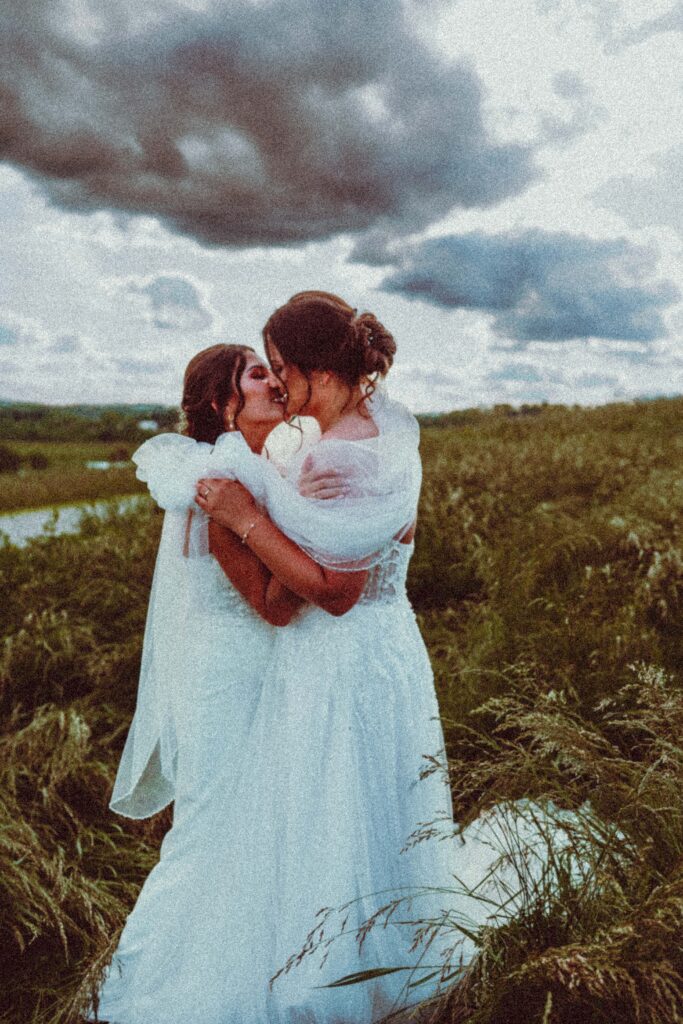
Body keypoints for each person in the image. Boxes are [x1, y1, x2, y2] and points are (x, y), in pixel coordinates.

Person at [189, 293, 483, 1023]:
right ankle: (356, 939)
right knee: (353, 801)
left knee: (342, 802)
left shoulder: (341, 456)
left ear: (315, 371)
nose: (277, 384)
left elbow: (334, 592)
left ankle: (336, 973)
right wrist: (280, 500)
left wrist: (247, 517)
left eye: (280, 368)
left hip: (342, 657)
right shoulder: (380, 426)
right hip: (380, 651)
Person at [90, 342, 341, 1023]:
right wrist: (336, 557)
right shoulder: (224, 479)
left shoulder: (254, 468)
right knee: (215, 831)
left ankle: (264, 966)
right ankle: (178, 993)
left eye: (271, 370)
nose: (274, 382)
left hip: (248, 667)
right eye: (256, 375)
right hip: (231, 674)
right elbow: (271, 602)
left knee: (259, 827)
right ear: (219, 402)